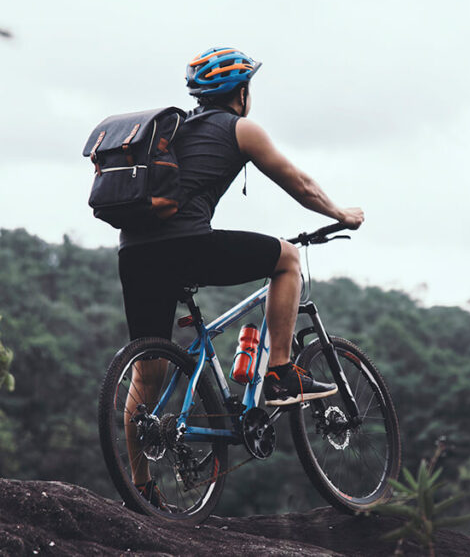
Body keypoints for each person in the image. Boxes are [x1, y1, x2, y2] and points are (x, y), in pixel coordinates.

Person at [118, 46, 363, 501]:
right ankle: (280, 372)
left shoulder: (174, 131)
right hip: (187, 245)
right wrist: (340, 213)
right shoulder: (241, 128)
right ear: (241, 92)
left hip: (134, 253)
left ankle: (141, 489)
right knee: (287, 258)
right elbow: (300, 184)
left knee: (144, 372)